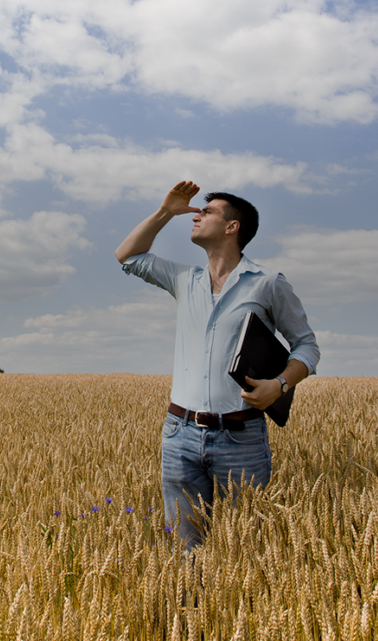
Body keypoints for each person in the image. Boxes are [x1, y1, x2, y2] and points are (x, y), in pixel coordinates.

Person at [115, 180, 319, 551]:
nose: (196, 216)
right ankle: (189, 608)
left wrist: (280, 384)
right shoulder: (185, 279)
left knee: (244, 553)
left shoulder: (268, 283)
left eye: (207, 211)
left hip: (241, 438)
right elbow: (127, 256)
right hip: (179, 434)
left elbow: (306, 346)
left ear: (232, 227)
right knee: (183, 550)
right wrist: (165, 212)